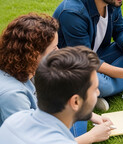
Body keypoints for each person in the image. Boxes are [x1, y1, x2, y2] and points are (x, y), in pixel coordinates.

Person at [0, 13, 112, 143]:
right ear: (34, 54)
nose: (58, 52)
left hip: (43, 118)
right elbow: (31, 139)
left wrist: (91, 115)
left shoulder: (24, 68)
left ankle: (86, 99)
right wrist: (91, 137)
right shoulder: (13, 95)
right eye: (54, 49)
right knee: (74, 115)